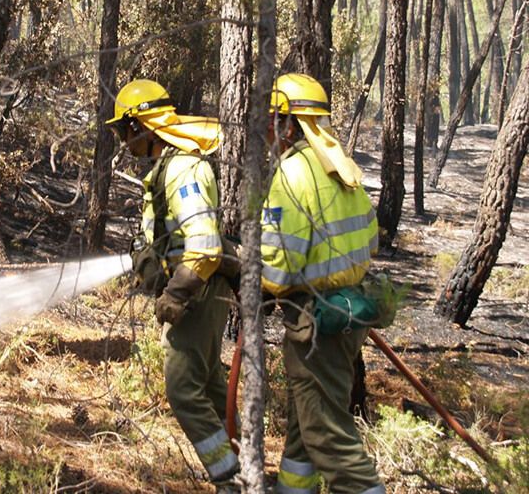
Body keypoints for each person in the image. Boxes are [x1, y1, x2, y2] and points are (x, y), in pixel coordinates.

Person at [106, 79, 241, 493]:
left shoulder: (183, 168)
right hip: (200, 294)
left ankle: (229, 479)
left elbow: (203, 245)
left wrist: (177, 292)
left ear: (142, 126)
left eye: (125, 131)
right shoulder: (170, 165)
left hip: (197, 295)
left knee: (183, 390)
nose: (125, 142)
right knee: (211, 389)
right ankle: (244, 464)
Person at [259, 73, 385, 494]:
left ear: (289, 124)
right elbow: (370, 239)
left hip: (316, 324)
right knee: (303, 430)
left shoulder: (293, 174)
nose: (268, 131)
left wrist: (256, 285)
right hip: (346, 315)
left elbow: (279, 261)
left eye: (272, 120)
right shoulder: (342, 169)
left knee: (326, 435)